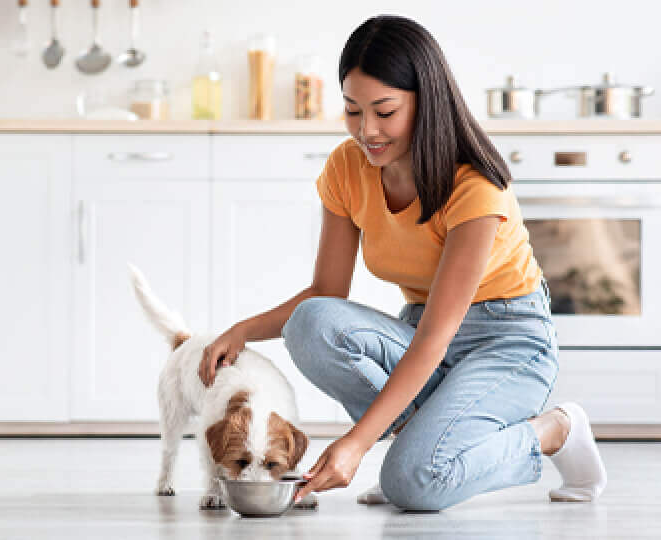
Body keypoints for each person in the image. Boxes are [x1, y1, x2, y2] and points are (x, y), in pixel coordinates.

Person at [198, 14, 607, 511]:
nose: (366, 130)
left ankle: (553, 431)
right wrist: (243, 329)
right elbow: (326, 292)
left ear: (425, 102)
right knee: (310, 323)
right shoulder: (348, 168)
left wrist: (357, 442)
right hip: (419, 332)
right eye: (352, 110)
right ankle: (424, 445)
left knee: (413, 485)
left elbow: (438, 335)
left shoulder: (474, 186)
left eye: (384, 112)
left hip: (507, 342)